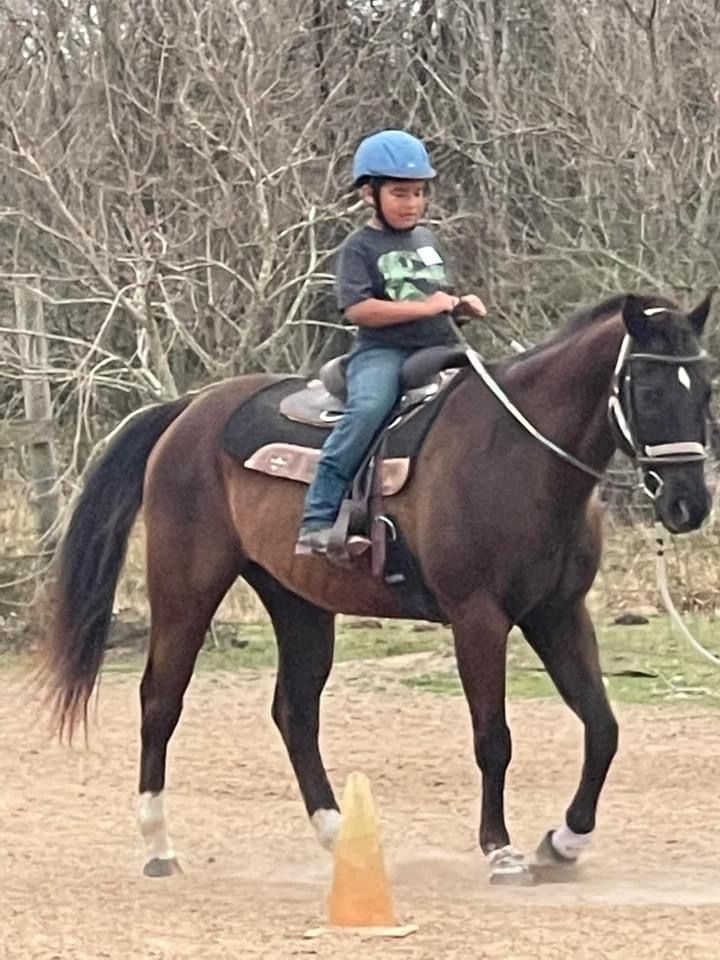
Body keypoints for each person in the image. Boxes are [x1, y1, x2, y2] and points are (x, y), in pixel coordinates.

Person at [296, 129, 487, 556]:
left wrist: (457, 306)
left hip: (438, 349)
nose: (412, 204)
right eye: (400, 193)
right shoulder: (359, 247)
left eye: (419, 193)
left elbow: (430, 297)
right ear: (369, 194)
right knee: (367, 411)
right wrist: (426, 308)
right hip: (383, 352)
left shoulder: (426, 240)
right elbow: (359, 310)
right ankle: (318, 518)